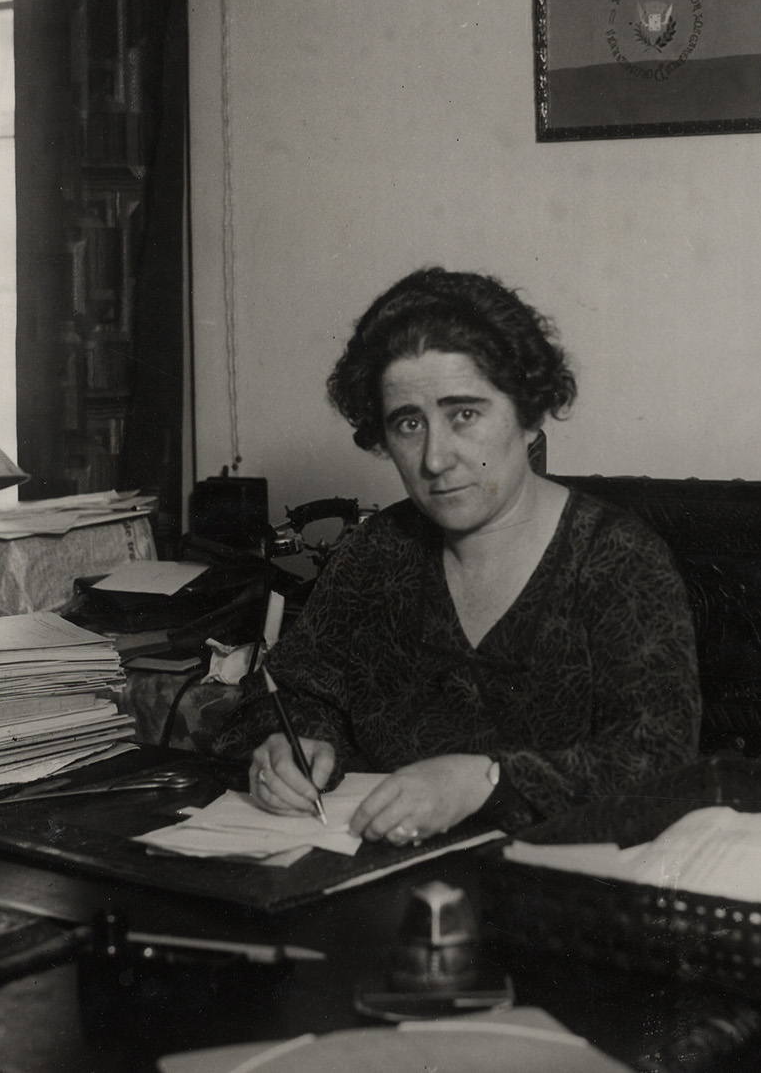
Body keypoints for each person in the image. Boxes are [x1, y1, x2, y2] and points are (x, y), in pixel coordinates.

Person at [212, 267, 701, 845]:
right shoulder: (377, 556)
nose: (435, 457)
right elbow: (286, 698)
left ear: (529, 413)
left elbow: (661, 767)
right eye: (409, 423)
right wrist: (295, 750)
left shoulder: (617, 560)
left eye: (464, 414)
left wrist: (488, 782)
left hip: (567, 896)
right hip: (383, 886)